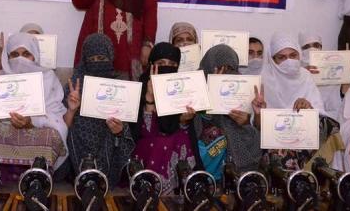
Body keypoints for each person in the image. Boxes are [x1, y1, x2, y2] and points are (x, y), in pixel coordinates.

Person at [0, 33, 68, 181]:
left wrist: (31, 121)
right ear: (7, 57)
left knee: (52, 134)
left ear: (35, 56)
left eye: (26, 54)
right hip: (3, 127)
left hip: (36, 128)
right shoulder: (0, 76)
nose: (20, 59)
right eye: (15, 54)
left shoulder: (48, 77)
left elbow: (55, 114)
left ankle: (37, 178)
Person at [65, 33, 135, 185]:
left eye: (102, 59)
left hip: (110, 142)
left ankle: (106, 181)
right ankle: (83, 178)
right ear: (85, 60)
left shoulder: (120, 87)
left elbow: (126, 128)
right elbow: (64, 127)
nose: (97, 63)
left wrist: (119, 131)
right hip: (78, 144)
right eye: (92, 59)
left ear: (110, 58)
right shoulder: (74, 85)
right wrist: (72, 109)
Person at [190, 44, 261, 180]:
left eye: (229, 69)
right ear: (208, 68)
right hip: (201, 175)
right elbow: (192, 131)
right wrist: (212, 97)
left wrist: (245, 123)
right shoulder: (194, 94)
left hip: (233, 178)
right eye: (219, 67)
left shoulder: (241, 95)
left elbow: (255, 149)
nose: (224, 73)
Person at [132, 42, 196, 192]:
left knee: (178, 137)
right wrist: (150, 96)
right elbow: (144, 132)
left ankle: (181, 183)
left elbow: (183, 129)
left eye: (172, 64)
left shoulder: (181, 88)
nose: (167, 68)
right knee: (161, 141)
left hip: (175, 142)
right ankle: (150, 185)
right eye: (161, 63)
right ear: (151, 64)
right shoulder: (140, 88)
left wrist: (183, 120)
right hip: (147, 145)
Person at [259, 32, 324, 170]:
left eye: (293, 55)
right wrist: (260, 113)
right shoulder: (263, 77)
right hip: (272, 137)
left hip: (303, 133)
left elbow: (320, 113)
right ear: (272, 59)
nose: (288, 61)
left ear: (299, 55)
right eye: (281, 57)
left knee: (328, 128)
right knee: (281, 154)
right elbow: (255, 123)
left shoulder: (306, 76)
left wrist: (309, 107)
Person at [299, 31, 346, 121]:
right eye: (306, 47)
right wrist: (303, 74)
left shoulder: (332, 73)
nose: (312, 49)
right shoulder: (294, 74)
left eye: (316, 45)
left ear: (321, 48)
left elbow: (336, 105)